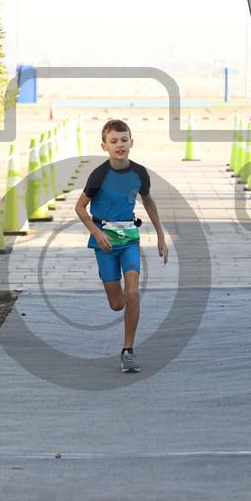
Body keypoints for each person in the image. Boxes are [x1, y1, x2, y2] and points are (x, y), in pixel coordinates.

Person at [75, 120, 168, 373]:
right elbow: (80, 207)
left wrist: (160, 235)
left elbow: (148, 201)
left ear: (131, 142)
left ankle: (128, 350)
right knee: (117, 303)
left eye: (124, 140)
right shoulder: (99, 175)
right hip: (104, 241)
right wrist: (96, 232)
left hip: (129, 239)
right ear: (104, 146)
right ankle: (125, 303)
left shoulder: (139, 173)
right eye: (114, 141)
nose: (120, 145)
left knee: (133, 292)